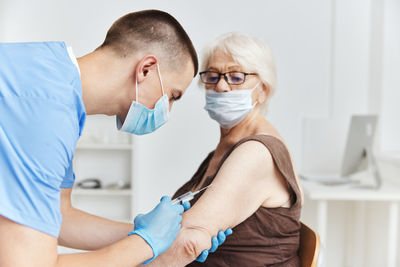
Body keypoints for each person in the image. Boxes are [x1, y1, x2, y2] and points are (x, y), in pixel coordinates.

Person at [0, 10, 229, 267]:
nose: (168, 110)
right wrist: (145, 243)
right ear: (146, 69)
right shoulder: (45, 114)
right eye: (172, 96)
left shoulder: (50, 73)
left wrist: (157, 235)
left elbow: (60, 216)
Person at [145, 32, 304, 267]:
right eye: (212, 76)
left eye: (236, 77)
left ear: (263, 90)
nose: (220, 86)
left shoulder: (257, 153)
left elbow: (186, 242)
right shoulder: (224, 149)